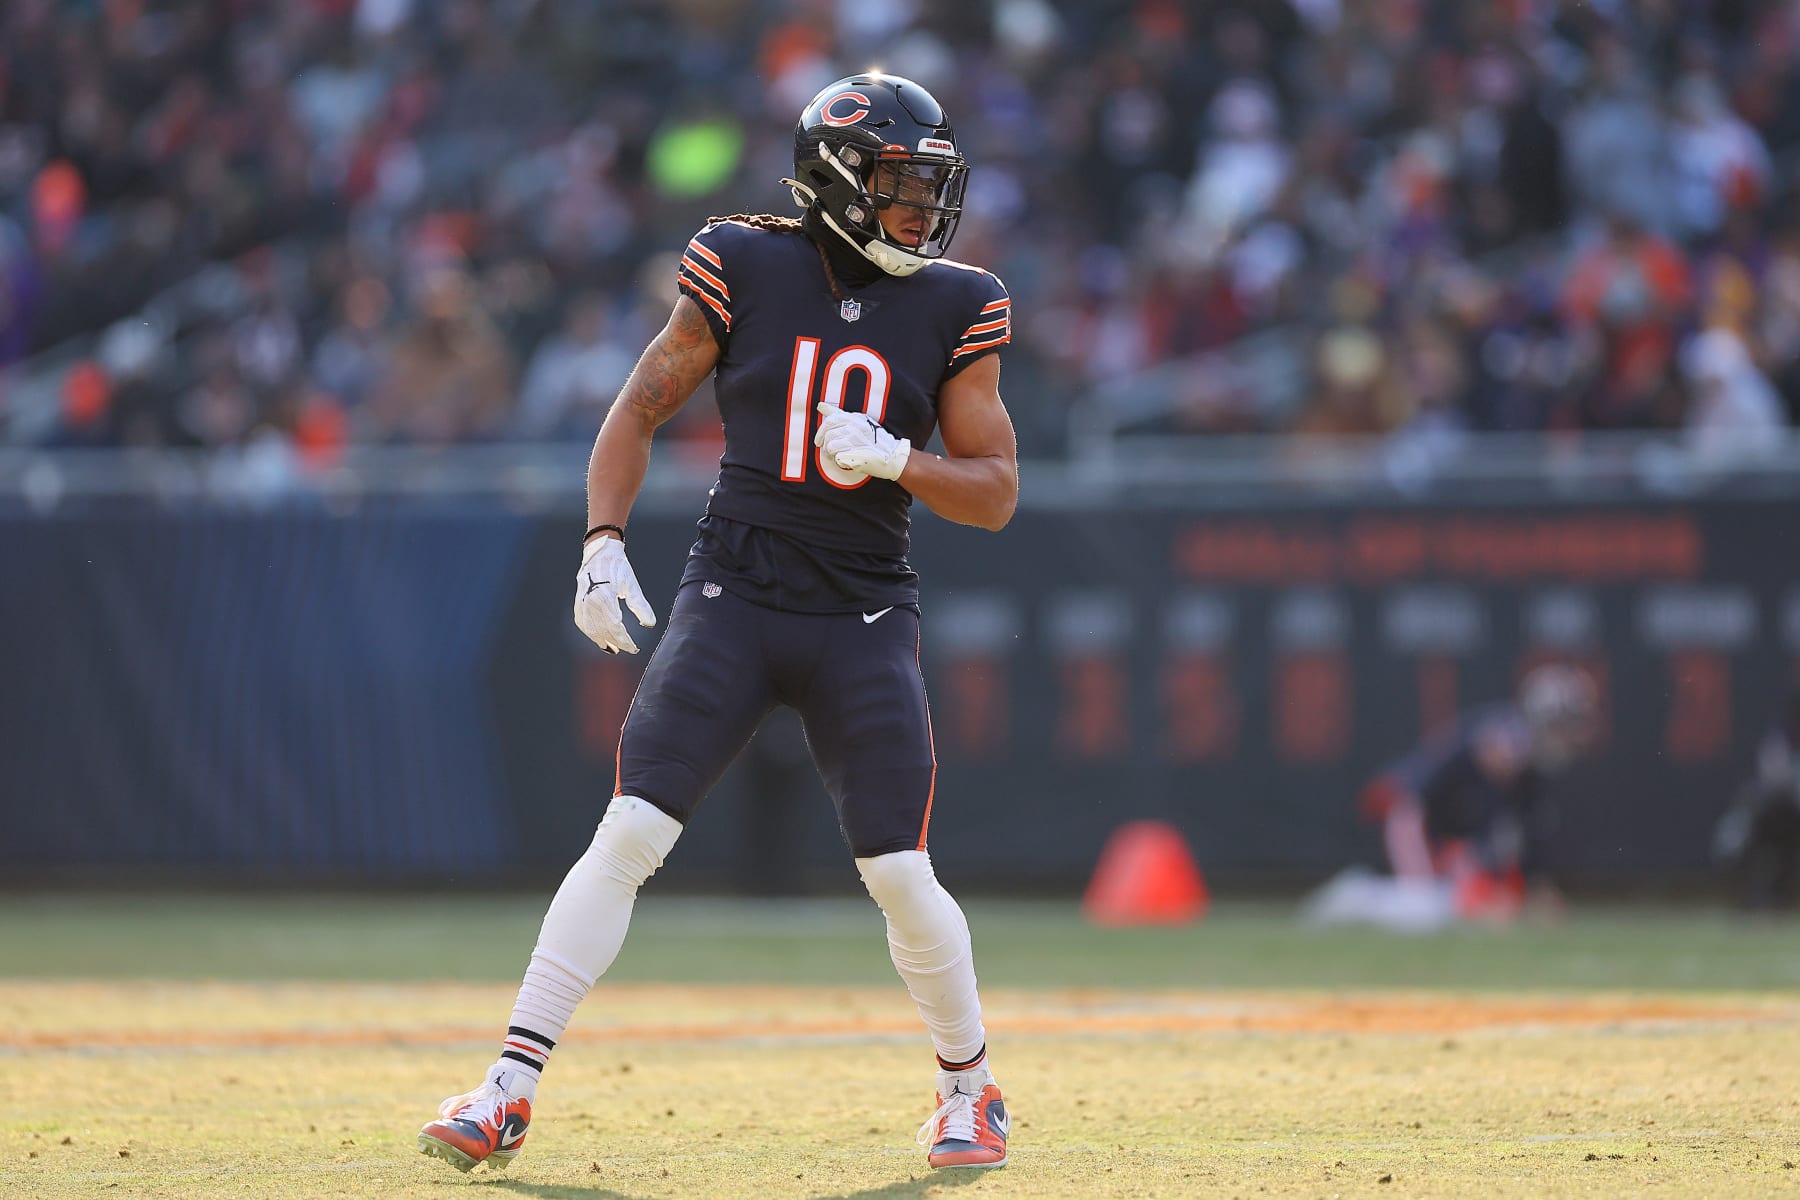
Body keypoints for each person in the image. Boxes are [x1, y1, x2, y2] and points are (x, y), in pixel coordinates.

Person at [417, 73, 1017, 1175]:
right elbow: (639, 407)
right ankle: (505, 1087)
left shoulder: (955, 299)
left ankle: (969, 1088)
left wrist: (899, 459)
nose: (920, 211)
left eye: (927, 187)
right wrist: (600, 544)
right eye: (895, 184)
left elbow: (996, 489)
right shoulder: (745, 261)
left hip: (864, 609)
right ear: (838, 182)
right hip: (734, 594)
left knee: (896, 867)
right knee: (631, 830)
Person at [1305, 664, 1599, 932]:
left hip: (1447, 828)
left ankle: (1369, 896)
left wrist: (1531, 886)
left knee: (1455, 906)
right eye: (1568, 722)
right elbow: (1473, 811)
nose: (1573, 734)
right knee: (1424, 912)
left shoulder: (1526, 762)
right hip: (1412, 814)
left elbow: (1510, 828)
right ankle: (1356, 895)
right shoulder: (1503, 745)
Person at [1713, 686, 1800, 913]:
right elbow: (1775, 780)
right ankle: (1756, 897)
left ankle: (1780, 895)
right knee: (1738, 837)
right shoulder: (1781, 739)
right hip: (1778, 814)